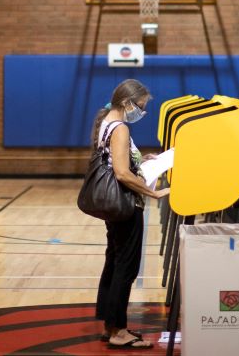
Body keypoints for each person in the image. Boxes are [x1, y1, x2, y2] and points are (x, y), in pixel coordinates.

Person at [91, 79, 170, 349]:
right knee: (125, 268)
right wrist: (154, 193)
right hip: (126, 206)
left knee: (114, 264)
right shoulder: (120, 128)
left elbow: (119, 161)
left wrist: (142, 159)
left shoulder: (106, 122)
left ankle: (109, 325)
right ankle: (119, 332)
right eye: (141, 106)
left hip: (114, 208)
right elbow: (122, 173)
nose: (142, 111)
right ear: (127, 103)